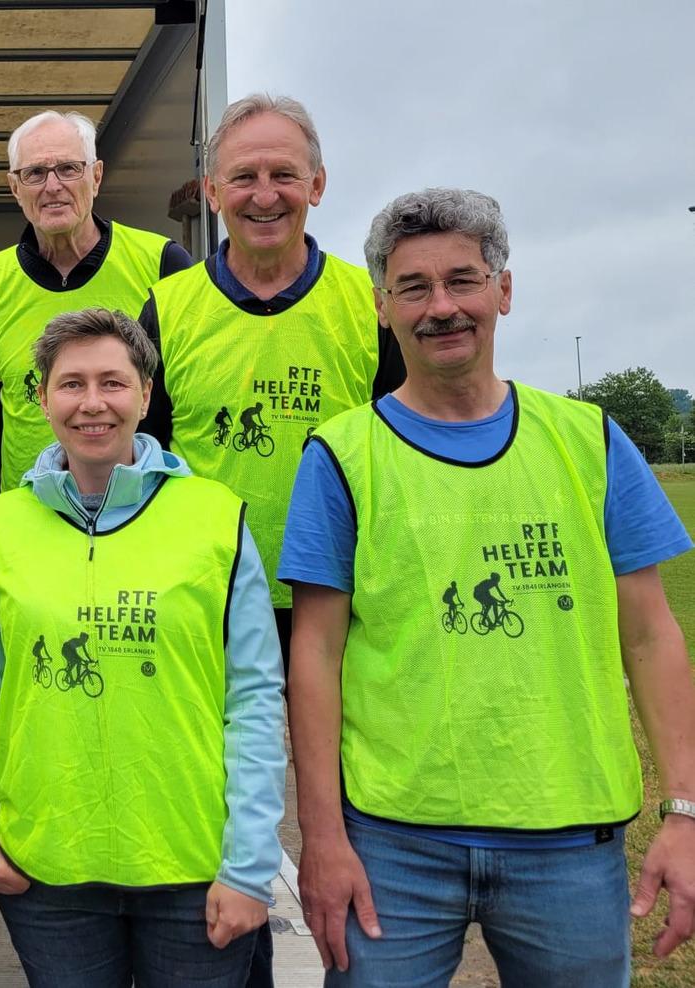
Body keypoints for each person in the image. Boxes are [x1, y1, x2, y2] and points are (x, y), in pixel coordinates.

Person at [280, 187, 695, 985]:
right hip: (394, 843)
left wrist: (684, 810)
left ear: (503, 290)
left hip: (571, 839)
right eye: (413, 287)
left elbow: (650, 636)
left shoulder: (590, 439)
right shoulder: (340, 456)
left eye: (462, 280)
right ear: (382, 308)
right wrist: (323, 838)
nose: (441, 307)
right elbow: (316, 657)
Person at [0, 308, 285, 987]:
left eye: (113, 382)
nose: (93, 403)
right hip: (46, 868)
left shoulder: (215, 516)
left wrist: (251, 866)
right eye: (71, 384)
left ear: (145, 393)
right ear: (42, 397)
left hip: (193, 867)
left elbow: (253, 696)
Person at [140, 94, 406, 694]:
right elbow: (141, 461)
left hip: (345, 599)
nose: (265, 196)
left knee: (331, 757)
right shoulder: (167, 308)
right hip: (207, 599)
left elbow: (405, 453)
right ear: (212, 192)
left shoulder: (372, 304)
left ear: (318, 185)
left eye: (284, 174)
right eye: (244, 177)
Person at [0, 110, 192, 491]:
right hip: (32, 508)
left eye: (69, 169)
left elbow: (183, 399)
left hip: (141, 503)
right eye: (35, 173)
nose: (52, 186)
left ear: (96, 176)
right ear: (14, 188)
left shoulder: (162, 263)